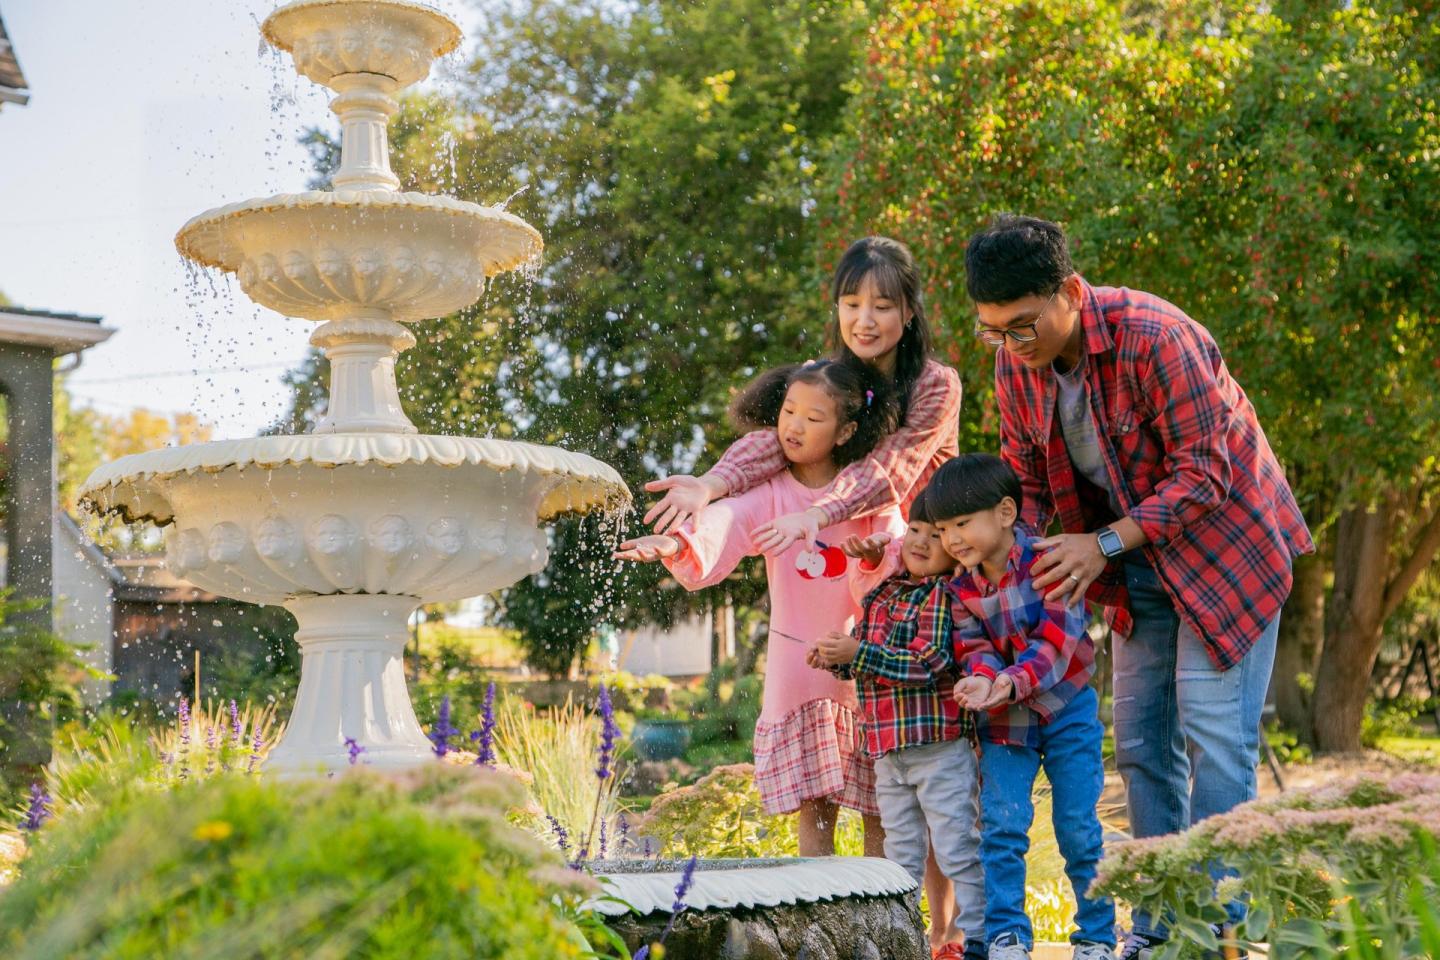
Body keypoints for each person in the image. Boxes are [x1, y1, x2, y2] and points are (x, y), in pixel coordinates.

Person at [964, 215, 1314, 958]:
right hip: (1134, 567)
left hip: (1228, 554)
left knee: (1214, 735)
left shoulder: (1156, 335)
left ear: (1068, 291)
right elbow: (1025, 483)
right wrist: (1004, 561)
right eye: (993, 333)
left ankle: (1222, 931)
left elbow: (1207, 473)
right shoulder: (1012, 367)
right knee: (1144, 745)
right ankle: (1159, 929)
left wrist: (1101, 543)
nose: (1011, 348)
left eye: (1022, 327)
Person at [642, 235, 967, 944]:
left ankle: (943, 935)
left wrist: (816, 513)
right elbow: (775, 443)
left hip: (921, 581)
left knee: (920, 777)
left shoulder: (934, 384)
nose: (865, 319)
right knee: (847, 774)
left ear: (909, 311)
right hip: (843, 579)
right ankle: (849, 932)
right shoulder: (836, 380)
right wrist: (713, 483)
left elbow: (893, 469)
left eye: (883, 304)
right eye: (852, 303)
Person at [615, 359, 902, 856]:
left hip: (866, 661)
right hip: (798, 665)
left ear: (846, 430)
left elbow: (897, 556)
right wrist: (676, 544)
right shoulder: (772, 493)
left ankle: (887, 918)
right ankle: (821, 916)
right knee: (815, 808)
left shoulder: (868, 493)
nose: (794, 425)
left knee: (881, 805)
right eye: (789, 411)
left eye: (814, 418)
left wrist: (877, 556)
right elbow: (728, 519)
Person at [925, 454, 1115, 960]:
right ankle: (1008, 933)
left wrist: (1007, 682)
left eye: (962, 523)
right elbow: (974, 648)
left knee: (1077, 826)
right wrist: (982, 681)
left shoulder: (1049, 561)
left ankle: (1097, 935)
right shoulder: (960, 588)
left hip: (1066, 708)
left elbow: (1057, 640)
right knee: (1002, 825)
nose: (952, 540)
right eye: (944, 529)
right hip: (1004, 721)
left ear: (1006, 512)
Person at [809, 487, 988, 960]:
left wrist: (859, 653)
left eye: (937, 535)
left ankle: (975, 940)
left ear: (955, 549)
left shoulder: (942, 595)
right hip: (888, 750)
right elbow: (868, 658)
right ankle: (903, 940)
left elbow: (929, 664)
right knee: (899, 853)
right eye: (914, 530)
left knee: (956, 845)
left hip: (938, 747)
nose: (921, 542)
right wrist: (836, 659)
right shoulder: (884, 591)